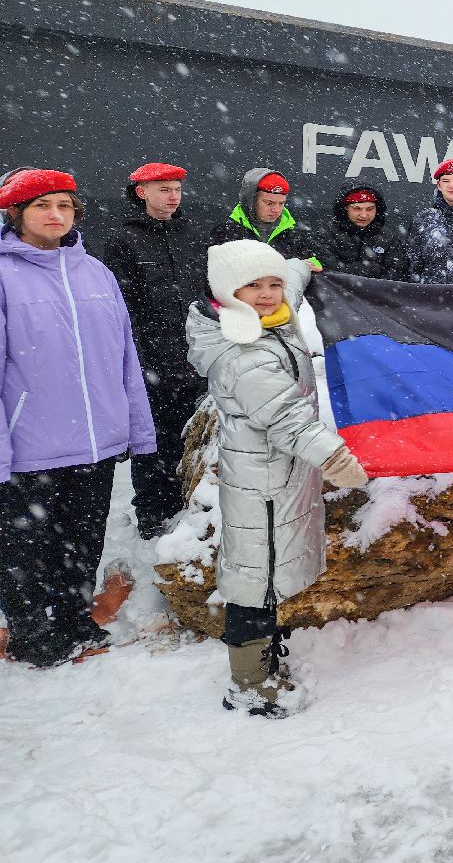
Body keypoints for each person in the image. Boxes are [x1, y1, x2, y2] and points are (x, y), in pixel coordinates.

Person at [186, 240, 369, 717]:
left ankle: (265, 654)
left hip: (280, 478)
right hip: (261, 486)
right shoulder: (241, 352)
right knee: (255, 581)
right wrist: (336, 459)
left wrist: (302, 267)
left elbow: (289, 277)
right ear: (227, 292)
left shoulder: (266, 316)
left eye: (272, 285)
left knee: (267, 574)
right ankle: (249, 681)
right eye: (254, 286)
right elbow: (287, 418)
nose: (268, 294)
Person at [0, 169, 156, 667]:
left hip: (96, 442)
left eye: (65, 206)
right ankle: (32, 635)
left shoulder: (96, 273)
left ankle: (73, 619)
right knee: (26, 549)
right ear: (17, 215)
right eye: (43, 206)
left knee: (82, 539)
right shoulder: (4, 274)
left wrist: (134, 425)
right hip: (30, 443)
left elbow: (126, 356)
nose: (55, 215)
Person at [103, 162, 210, 539]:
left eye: (177, 189)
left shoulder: (195, 236)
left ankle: (187, 504)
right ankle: (151, 512)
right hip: (151, 361)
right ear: (141, 192)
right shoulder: (123, 240)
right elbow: (124, 307)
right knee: (153, 441)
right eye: (164, 188)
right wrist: (140, 359)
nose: (173, 196)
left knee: (193, 437)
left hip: (196, 358)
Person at [208, 167, 321, 266]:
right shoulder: (225, 235)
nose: (276, 210)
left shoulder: (295, 237)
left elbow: (328, 265)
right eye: (269, 203)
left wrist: (316, 265)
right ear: (251, 201)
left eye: (281, 203)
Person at [324, 180, 409, 281]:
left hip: (377, 296)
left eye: (370, 209)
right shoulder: (327, 233)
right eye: (357, 208)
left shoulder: (389, 238)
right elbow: (327, 272)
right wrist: (372, 269)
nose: (364, 215)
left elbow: (398, 275)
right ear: (345, 208)